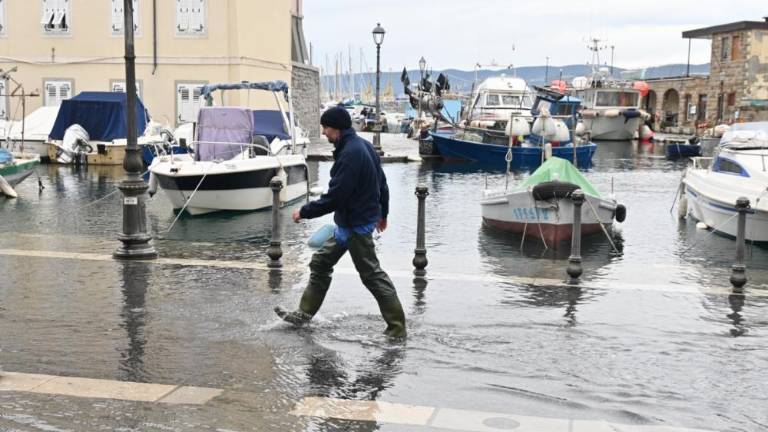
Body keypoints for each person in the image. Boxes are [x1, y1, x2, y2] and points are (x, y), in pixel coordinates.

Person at [274, 105, 406, 338]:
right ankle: (302, 315)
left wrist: (303, 212)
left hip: (356, 225)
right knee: (321, 263)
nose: (323, 133)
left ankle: (397, 329)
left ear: (336, 129)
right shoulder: (361, 146)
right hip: (349, 223)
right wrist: (383, 213)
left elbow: (335, 197)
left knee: (373, 276)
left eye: (325, 127)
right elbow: (382, 183)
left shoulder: (350, 155)